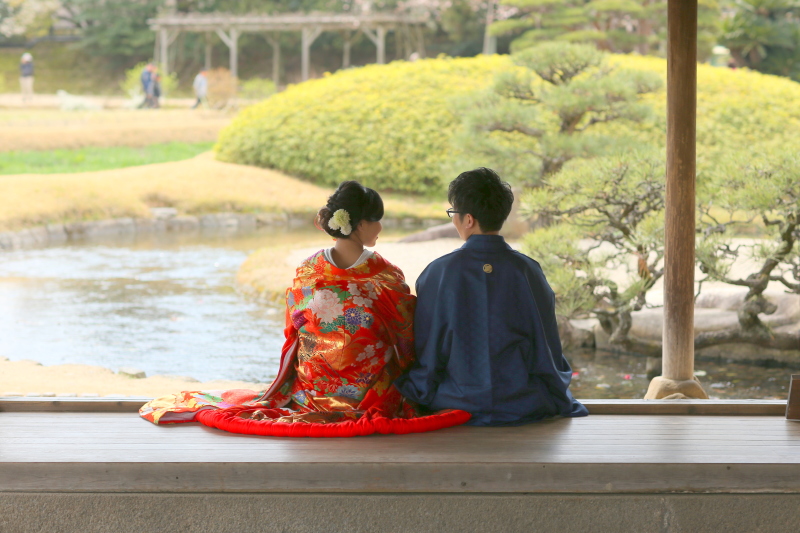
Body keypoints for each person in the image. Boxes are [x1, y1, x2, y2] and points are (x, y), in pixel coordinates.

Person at [140, 181, 470, 437]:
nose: (381, 229)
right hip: (367, 395)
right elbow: (407, 336)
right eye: (376, 221)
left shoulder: (307, 270)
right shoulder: (384, 275)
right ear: (359, 225)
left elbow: (294, 331)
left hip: (312, 390)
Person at [395, 168, 588, 426]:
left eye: (454, 214)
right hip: (523, 401)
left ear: (469, 220)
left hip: (455, 402)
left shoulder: (439, 273)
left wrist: (420, 391)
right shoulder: (528, 270)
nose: (454, 221)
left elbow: (429, 350)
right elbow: (547, 345)